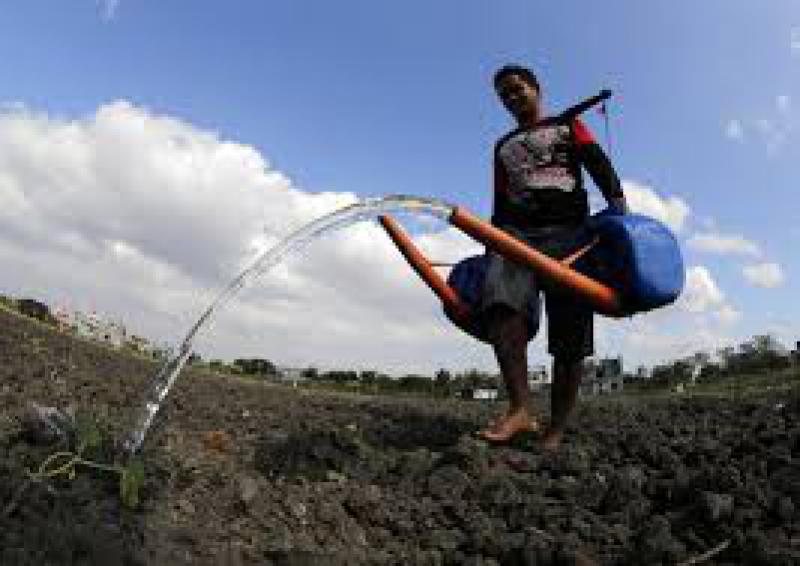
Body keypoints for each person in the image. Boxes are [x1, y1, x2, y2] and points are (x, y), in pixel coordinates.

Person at [478, 64, 628, 450]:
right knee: (500, 306)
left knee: (571, 333)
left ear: (535, 88)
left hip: (571, 234)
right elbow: (501, 199)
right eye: (503, 94)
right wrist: (493, 239)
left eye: (516, 88)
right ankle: (520, 409)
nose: (511, 97)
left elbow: (599, 164)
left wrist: (619, 209)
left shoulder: (567, 126)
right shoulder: (503, 146)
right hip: (518, 237)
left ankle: (557, 427)